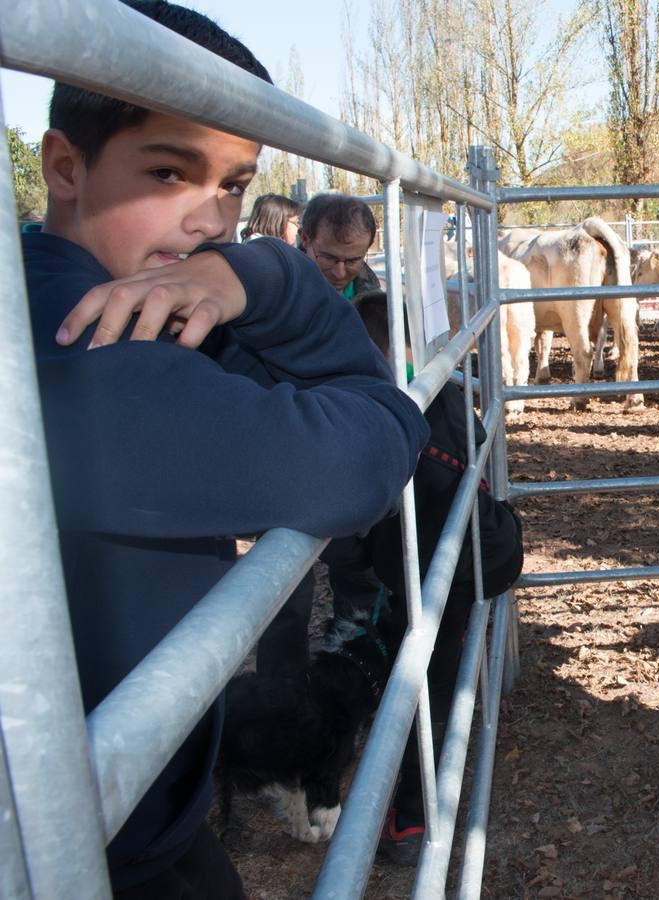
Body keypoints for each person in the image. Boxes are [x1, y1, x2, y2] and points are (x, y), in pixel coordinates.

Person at [23, 1, 430, 896]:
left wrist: (243, 277)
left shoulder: (134, 307)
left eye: (235, 186)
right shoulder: (70, 356)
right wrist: (272, 274)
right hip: (78, 851)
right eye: (169, 171)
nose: (209, 219)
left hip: (132, 813)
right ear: (65, 165)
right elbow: (368, 445)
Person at [348, 290, 524, 865]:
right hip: (481, 548)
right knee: (436, 668)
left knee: (425, 683)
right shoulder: (446, 393)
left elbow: (375, 524)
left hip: (439, 570)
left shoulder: (386, 415)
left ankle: (409, 819)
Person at [298, 192, 383, 298]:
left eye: (352, 261)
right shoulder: (279, 298)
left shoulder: (376, 303)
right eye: (328, 258)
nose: (340, 274)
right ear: (305, 239)